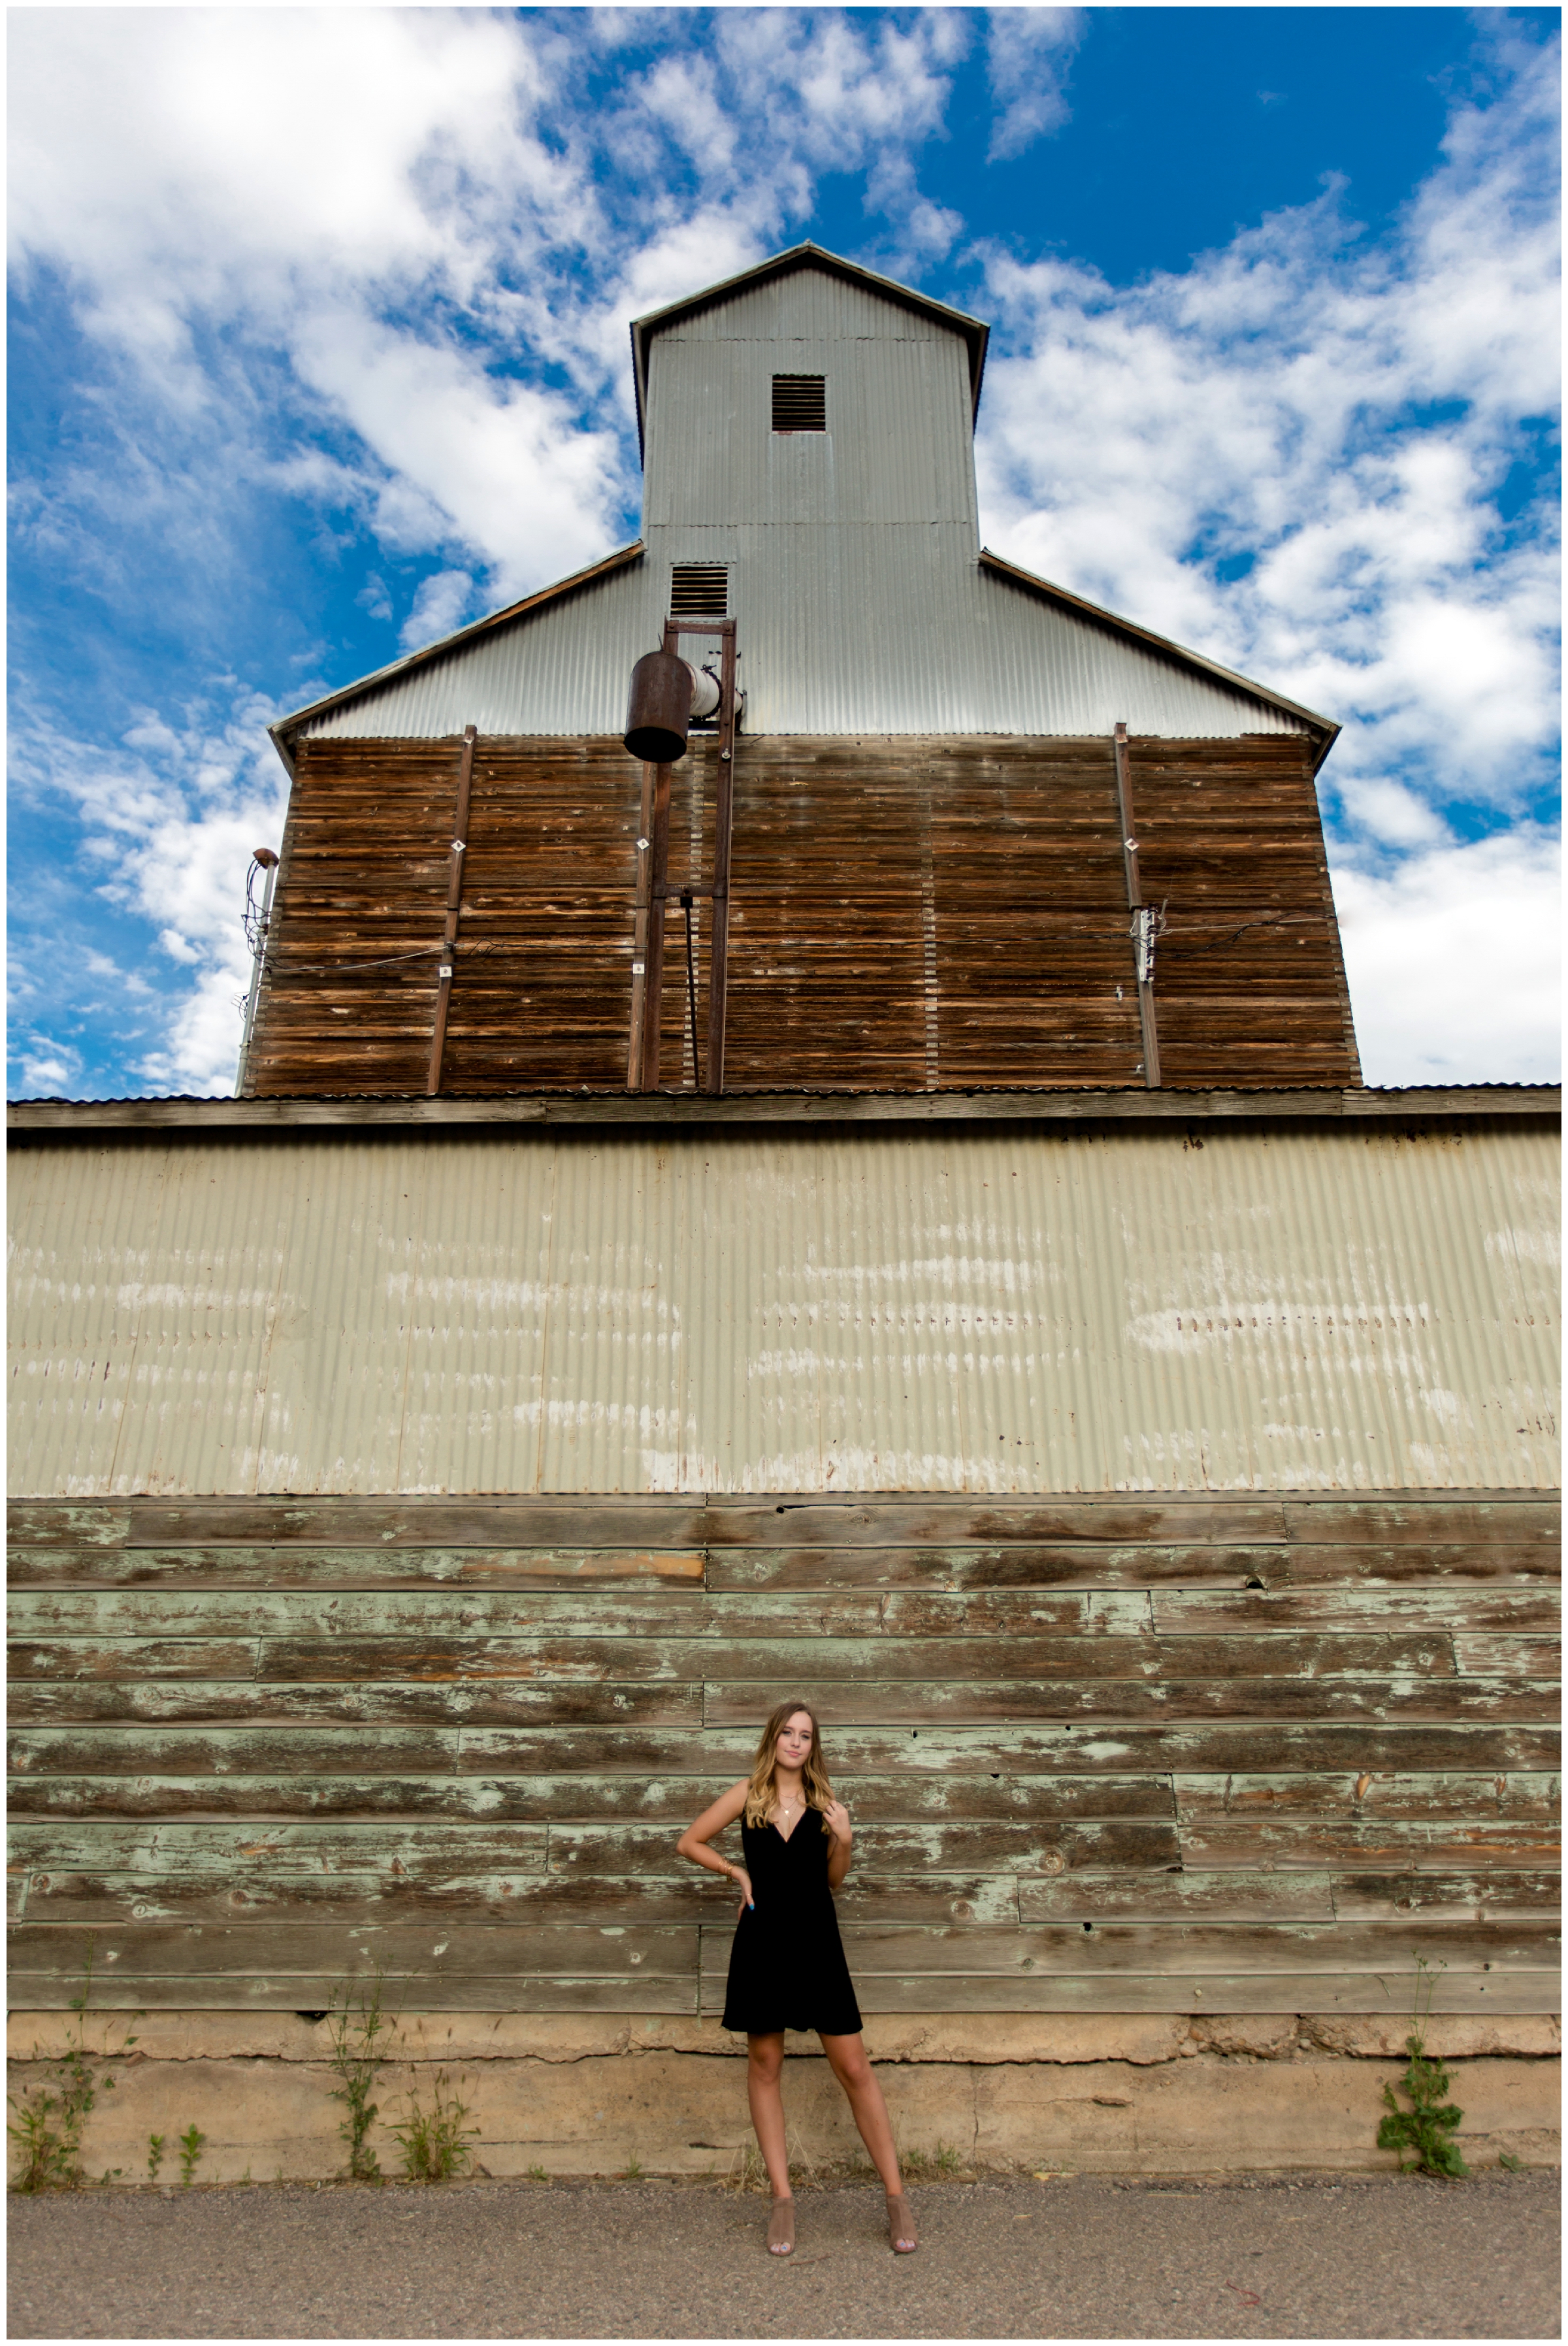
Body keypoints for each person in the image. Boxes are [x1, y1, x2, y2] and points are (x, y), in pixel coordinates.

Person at [676, 1699, 917, 2258]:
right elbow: (689, 1842)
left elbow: (833, 1881)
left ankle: (897, 2198)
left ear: (813, 1746)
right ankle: (783, 2203)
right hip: (762, 1943)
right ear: (773, 1738)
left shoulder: (825, 1802)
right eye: (786, 1732)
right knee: (764, 2065)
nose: (794, 1742)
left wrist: (847, 1841)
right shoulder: (747, 1795)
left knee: (854, 2066)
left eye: (804, 1735)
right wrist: (736, 1872)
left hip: (816, 1944)